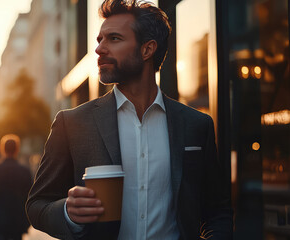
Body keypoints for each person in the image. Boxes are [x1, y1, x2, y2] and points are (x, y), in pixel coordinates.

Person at [26, 0, 233, 239]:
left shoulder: (197, 124)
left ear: (147, 49)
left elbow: (217, 210)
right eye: (99, 40)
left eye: (113, 39)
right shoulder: (72, 123)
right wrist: (68, 212)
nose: (100, 49)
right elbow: (37, 205)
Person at [0, 134, 32, 240]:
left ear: (3, 149)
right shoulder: (24, 171)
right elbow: (30, 196)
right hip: (17, 222)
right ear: (17, 150)